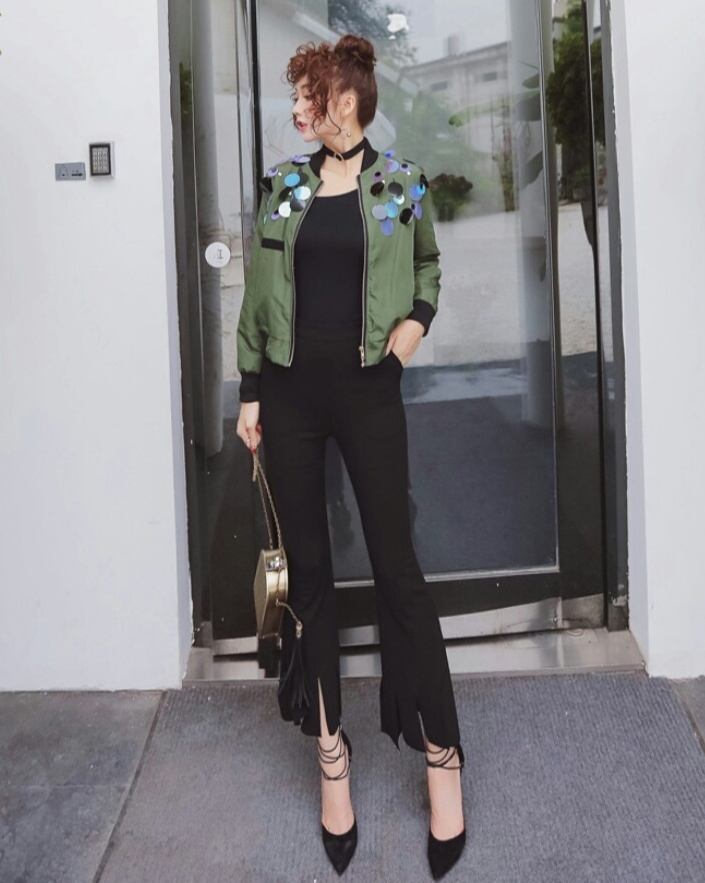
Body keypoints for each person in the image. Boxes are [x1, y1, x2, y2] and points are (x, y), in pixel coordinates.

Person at [235, 33, 466, 880]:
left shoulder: (399, 185)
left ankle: (442, 756)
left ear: (345, 101)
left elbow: (428, 268)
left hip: (369, 394)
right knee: (311, 580)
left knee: (399, 573)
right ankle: (332, 757)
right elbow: (257, 296)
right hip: (290, 398)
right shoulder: (283, 186)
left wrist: (409, 334)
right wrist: (250, 390)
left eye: (309, 95)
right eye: (297, 94)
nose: (297, 107)